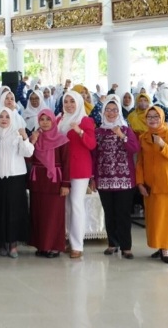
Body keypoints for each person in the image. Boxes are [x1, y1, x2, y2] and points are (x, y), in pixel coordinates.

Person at [92, 96, 141, 259]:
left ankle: (126, 246)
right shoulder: (98, 132)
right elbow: (94, 154)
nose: (111, 113)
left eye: (114, 110)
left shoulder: (126, 130)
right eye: (108, 109)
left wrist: (121, 135)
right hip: (104, 179)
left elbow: (135, 148)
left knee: (123, 213)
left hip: (125, 180)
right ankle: (112, 243)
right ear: (103, 111)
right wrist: (93, 177)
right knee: (109, 213)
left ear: (119, 111)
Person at [136, 107, 168, 264]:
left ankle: (166, 249)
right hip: (151, 184)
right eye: (149, 116)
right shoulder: (144, 137)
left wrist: (162, 144)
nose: (153, 119)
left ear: (162, 117)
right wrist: (140, 182)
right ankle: (159, 245)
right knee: (155, 218)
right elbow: (140, 162)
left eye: (156, 116)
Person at [0, 108, 34, 258]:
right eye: (1, 116)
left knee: (14, 211)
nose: (4, 119)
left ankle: (13, 245)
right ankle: (1, 243)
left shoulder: (17, 134)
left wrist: (25, 136)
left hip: (16, 178)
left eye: (7, 116)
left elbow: (28, 153)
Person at [58, 91, 96, 259]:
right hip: (63, 168)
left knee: (76, 204)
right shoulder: (60, 120)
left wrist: (80, 131)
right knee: (65, 206)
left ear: (79, 102)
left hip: (80, 168)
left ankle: (77, 245)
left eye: (72, 101)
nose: (69, 105)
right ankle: (67, 239)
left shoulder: (85, 120)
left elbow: (92, 144)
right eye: (66, 101)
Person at [28, 109, 69, 258]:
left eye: (48, 119)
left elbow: (66, 163)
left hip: (55, 182)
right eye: (42, 119)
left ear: (53, 121)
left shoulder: (61, 139)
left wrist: (65, 184)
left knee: (53, 216)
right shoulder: (35, 137)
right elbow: (27, 159)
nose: (45, 122)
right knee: (39, 214)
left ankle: (54, 246)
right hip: (38, 181)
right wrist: (31, 141)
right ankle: (42, 246)